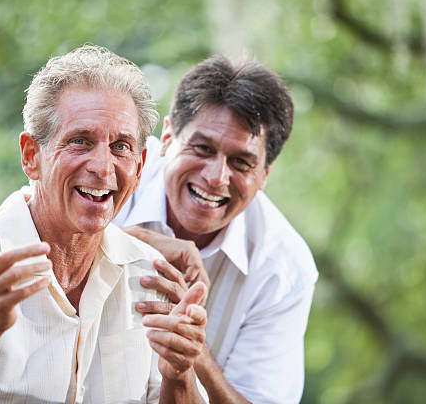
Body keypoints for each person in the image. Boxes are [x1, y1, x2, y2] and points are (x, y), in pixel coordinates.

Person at [0, 45, 208, 403]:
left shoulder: (151, 276)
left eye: (120, 147)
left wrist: (179, 376)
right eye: (80, 141)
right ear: (30, 156)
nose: (103, 166)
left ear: (139, 165)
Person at [113, 55, 319, 403]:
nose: (215, 177)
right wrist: (130, 242)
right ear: (166, 138)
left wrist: (196, 355)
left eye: (241, 162)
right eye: (202, 148)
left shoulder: (285, 269)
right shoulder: (112, 168)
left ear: (264, 175)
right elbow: (25, 234)